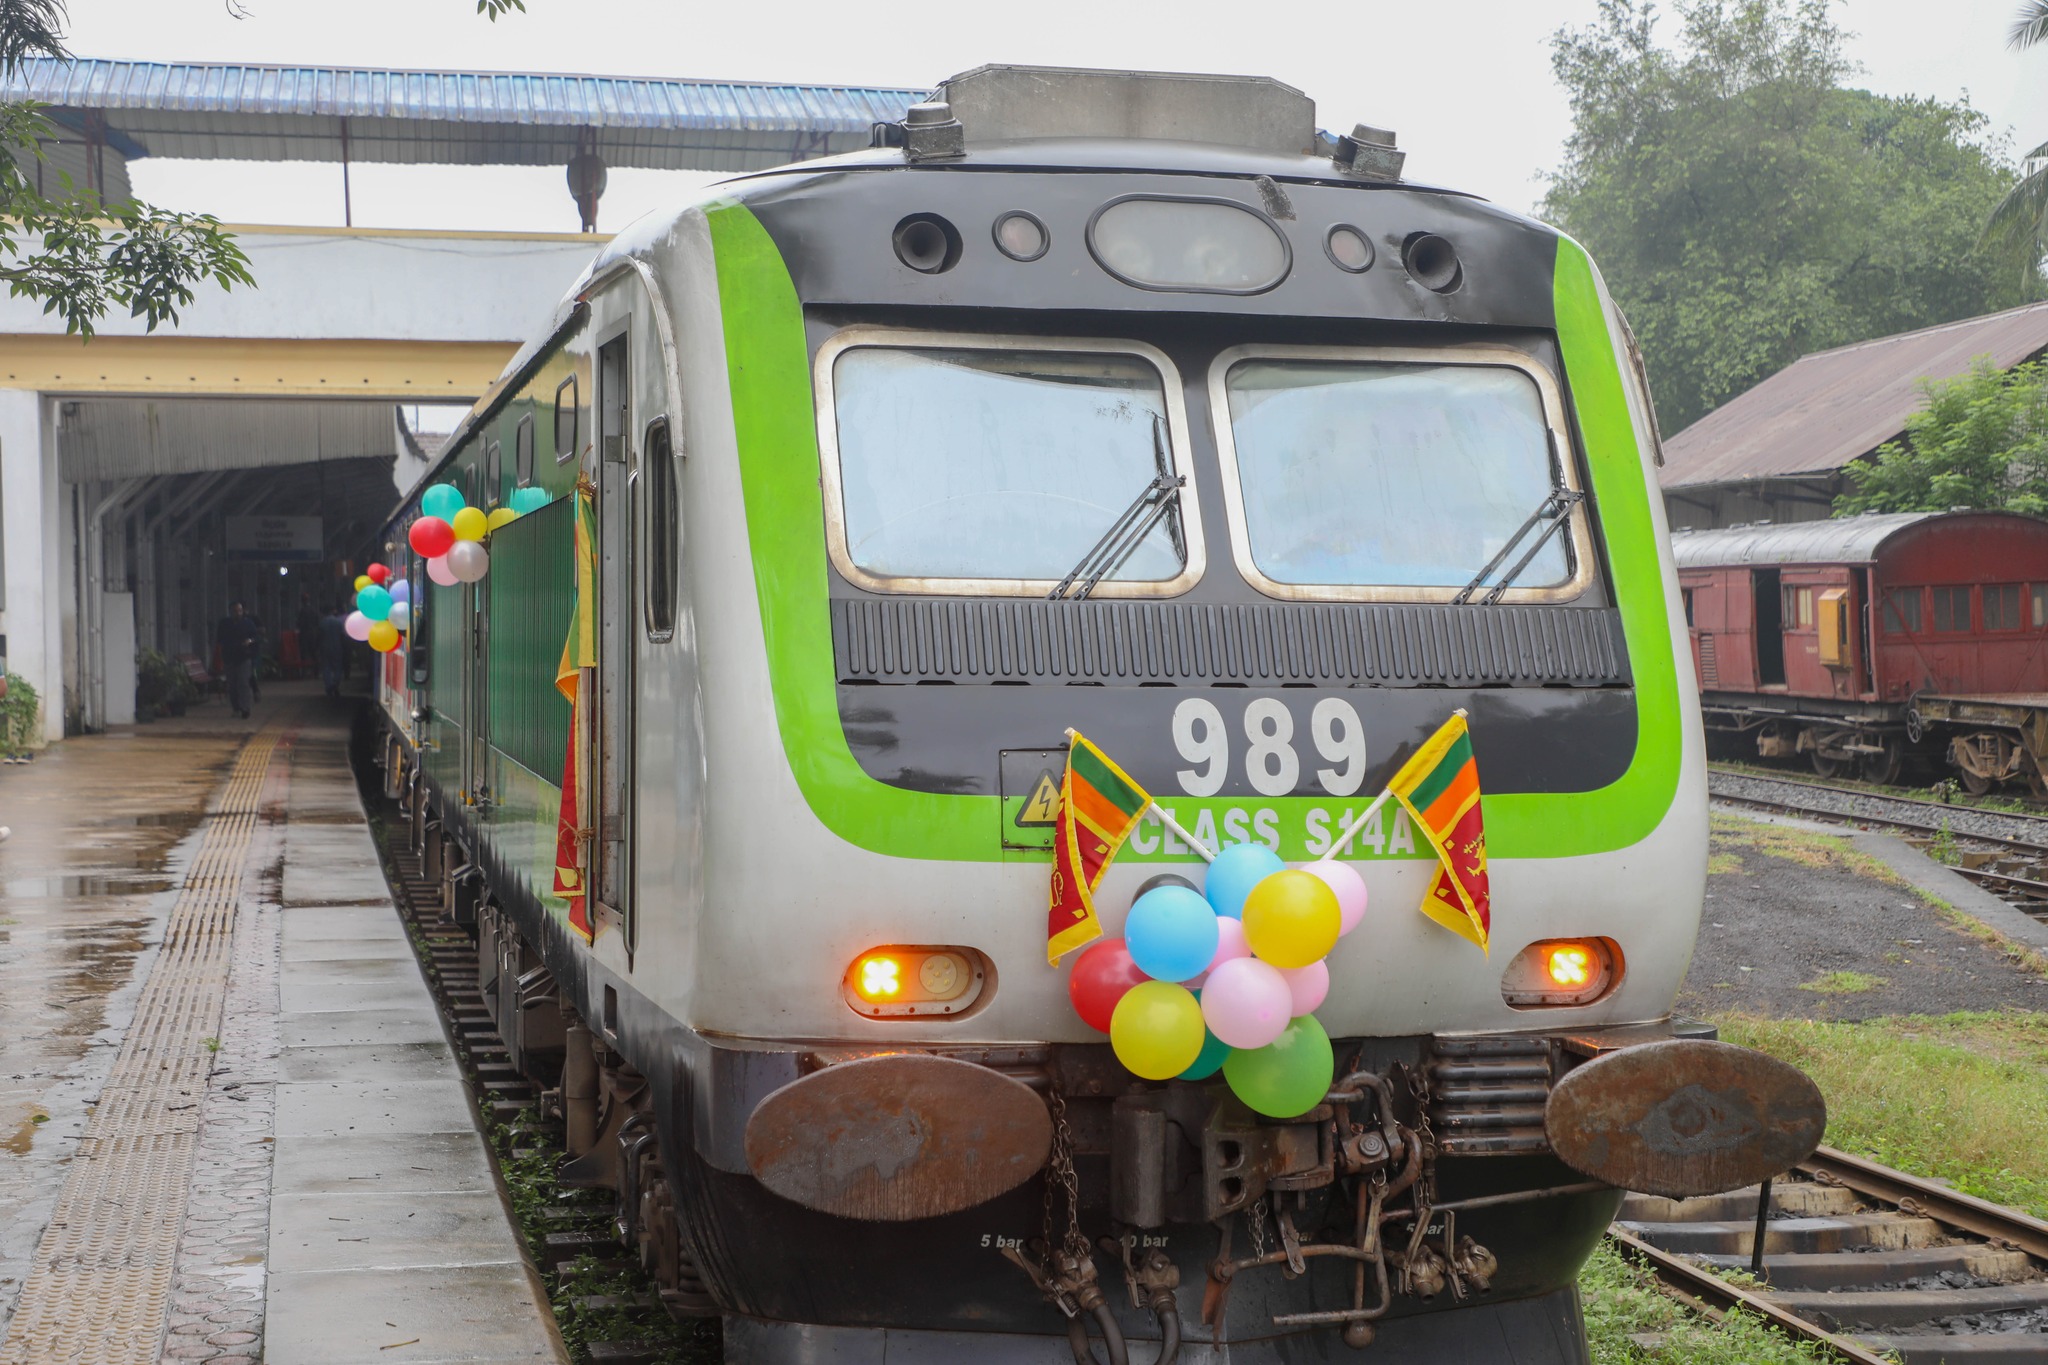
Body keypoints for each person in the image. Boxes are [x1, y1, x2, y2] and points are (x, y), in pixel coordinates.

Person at [216, 601, 261, 719]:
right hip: (229, 657)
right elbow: (219, 639)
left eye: (240, 610)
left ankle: (245, 708)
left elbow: (256, 637)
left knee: (243, 683)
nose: (238, 613)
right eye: (235, 611)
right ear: (230, 612)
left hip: (244, 657)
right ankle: (236, 708)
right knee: (232, 685)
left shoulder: (248, 623)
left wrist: (249, 641)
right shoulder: (224, 624)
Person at [317, 602, 348, 701]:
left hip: (325, 647)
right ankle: (335, 684)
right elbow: (342, 636)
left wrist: (318, 648)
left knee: (326, 667)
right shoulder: (338, 622)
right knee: (338, 667)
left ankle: (329, 686)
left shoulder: (322, 623)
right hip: (337, 647)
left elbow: (319, 637)